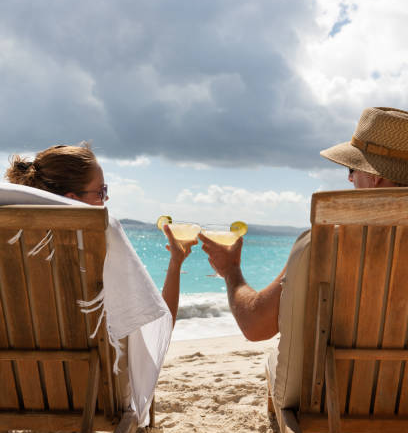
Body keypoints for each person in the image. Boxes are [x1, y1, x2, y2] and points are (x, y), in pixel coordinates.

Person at [199, 106, 408, 342]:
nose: (350, 178)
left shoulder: (325, 245)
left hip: (334, 379)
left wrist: (230, 271)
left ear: (374, 176)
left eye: (352, 168)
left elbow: (256, 325)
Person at [5, 142, 196, 326]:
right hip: (91, 359)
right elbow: (159, 327)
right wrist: (175, 263)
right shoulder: (98, 249)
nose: (106, 198)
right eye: (101, 191)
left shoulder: (10, 251)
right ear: (72, 201)